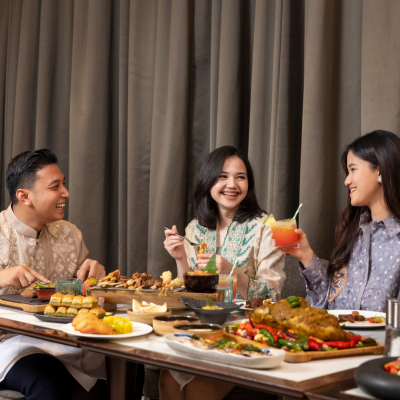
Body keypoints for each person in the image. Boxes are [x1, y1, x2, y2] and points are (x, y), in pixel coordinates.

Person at [160, 146, 285, 400]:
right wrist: (180, 257)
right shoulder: (195, 229)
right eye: (223, 176)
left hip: (245, 331)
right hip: (200, 327)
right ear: (208, 182)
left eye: (240, 177)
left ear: (249, 183)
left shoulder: (267, 228)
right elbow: (191, 291)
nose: (232, 184)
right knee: (167, 381)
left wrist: (232, 271)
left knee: (199, 390)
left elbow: (272, 295)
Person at [0, 149, 106, 400]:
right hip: (6, 343)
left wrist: (96, 278)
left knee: (123, 367)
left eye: (64, 185)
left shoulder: (70, 234)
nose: (65, 193)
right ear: (24, 196)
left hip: (61, 339)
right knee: (47, 379)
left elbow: (86, 294)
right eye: (55, 187)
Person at [287, 130, 400, 311]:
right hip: (335, 330)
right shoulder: (353, 235)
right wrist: (306, 255)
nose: (347, 181)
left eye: (353, 169)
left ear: (379, 170)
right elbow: (326, 305)